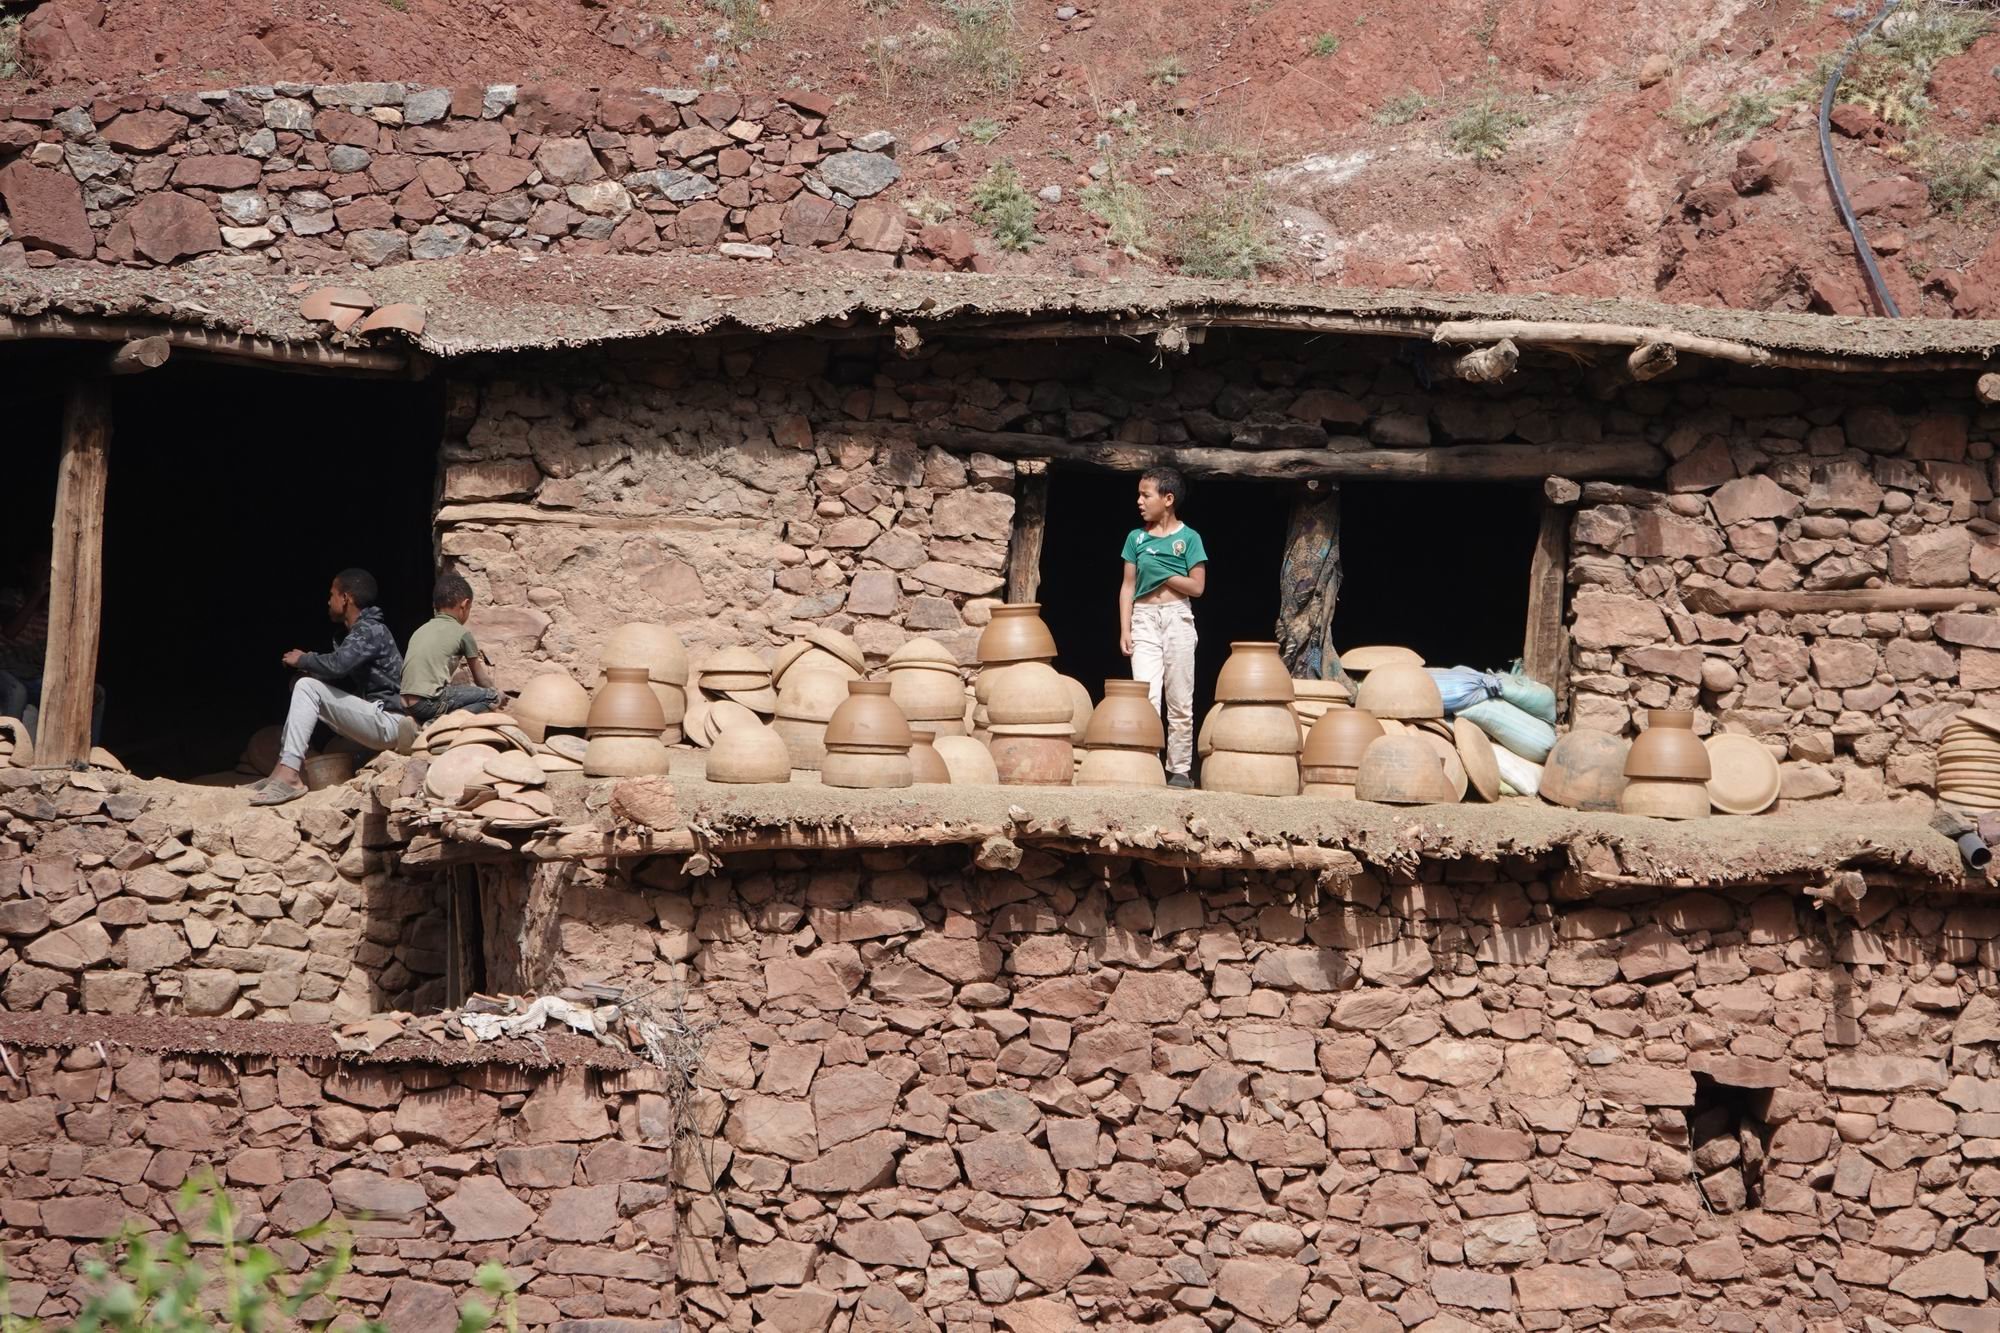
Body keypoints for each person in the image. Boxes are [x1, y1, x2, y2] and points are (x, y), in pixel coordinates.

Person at [253, 568, 411, 807]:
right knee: (305, 686)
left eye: (332, 594)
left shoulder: (370, 629)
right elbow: (339, 673)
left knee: (307, 687)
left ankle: (290, 777)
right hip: (378, 718)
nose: (329, 601)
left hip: (390, 720)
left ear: (345, 598)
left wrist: (304, 659)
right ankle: (280, 772)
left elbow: (339, 665)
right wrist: (311, 672)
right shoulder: (357, 633)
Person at [1118, 466, 1208, 788]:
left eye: (1146, 495)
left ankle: (1180, 769)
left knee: (1180, 698)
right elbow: (1128, 586)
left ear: (1168, 499)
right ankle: (1148, 762)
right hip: (1143, 618)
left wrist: (1164, 574)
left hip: (1177, 618)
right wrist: (1125, 629)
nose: (1139, 501)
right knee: (1146, 695)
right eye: (1139, 495)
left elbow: (1197, 588)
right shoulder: (1136, 538)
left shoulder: (1189, 538)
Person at [401, 573, 499, 723]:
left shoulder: (420, 630)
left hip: (405, 703)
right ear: (465, 605)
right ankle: (434, 724)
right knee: (491, 697)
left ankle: (420, 723)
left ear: (434, 605)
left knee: (449, 696)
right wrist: (497, 692)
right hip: (428, 703)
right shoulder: (462, 634)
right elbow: (481, 680)